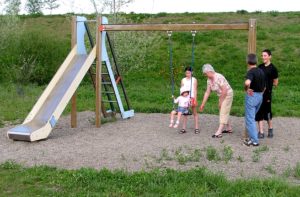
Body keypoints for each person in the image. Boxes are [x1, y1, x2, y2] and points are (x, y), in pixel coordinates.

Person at [199, 64, 233, 138]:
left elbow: (225, 90)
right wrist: (203, 104)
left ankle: (219, 131)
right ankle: (229, 128)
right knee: (223, 110)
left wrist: (220, 102)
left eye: (206, 73)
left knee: (223, 110)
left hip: (227, 94)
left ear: (210, 71)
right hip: (222, 95)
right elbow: (207, 92)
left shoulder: (218, 77)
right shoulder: (209, 80)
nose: (205, 75)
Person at [255, 49, 279, 138]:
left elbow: (276, 83)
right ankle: (261, 132)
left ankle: (270, 129)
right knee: (259, 111)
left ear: (269, 56)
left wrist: (268, 85)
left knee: (267, 112)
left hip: (267, 94)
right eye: (262, 55)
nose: (263, 57)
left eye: (265, 55)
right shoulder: (260, 67)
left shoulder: (273, 69)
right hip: (259, 93)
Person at [244, 54, 266, 146]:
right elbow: (265, 86)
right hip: (260, 96)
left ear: (247, 62)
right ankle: (252, 138)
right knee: (252, 118)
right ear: (256, 61)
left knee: (250, 119)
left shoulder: (251, 72)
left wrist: (246, 89)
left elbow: (247, 82)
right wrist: (260, 94)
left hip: (252, 97)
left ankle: (254, 140)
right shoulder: (261, 71)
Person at [180, 66, 199, 134]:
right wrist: (181, 98)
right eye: (186, 73)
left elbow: (195, 90)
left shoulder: (194, 79)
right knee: (185, 113)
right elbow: (181, 90)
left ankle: (196, 128)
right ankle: (183, 128)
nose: (187, 74)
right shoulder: (183, 80)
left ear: (192, 72)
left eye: (188, 73)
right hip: (185, 98)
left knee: (194, 112)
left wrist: (195, 99)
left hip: (192, 97)